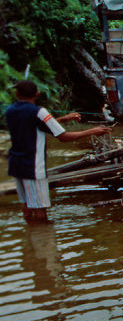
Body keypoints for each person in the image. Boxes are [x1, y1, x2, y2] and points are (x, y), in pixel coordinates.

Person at [5, 80, 112, 224]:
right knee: (40, 209)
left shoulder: (10, 110)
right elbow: (63, 137)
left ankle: (30, 236)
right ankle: (43, 239)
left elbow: (38, 124)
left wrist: (65, 118)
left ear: (16, 93)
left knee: (26, 205)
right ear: (37, 94)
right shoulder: (39, 112)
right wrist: (91, 131)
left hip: (16, 164)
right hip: (33, 167)